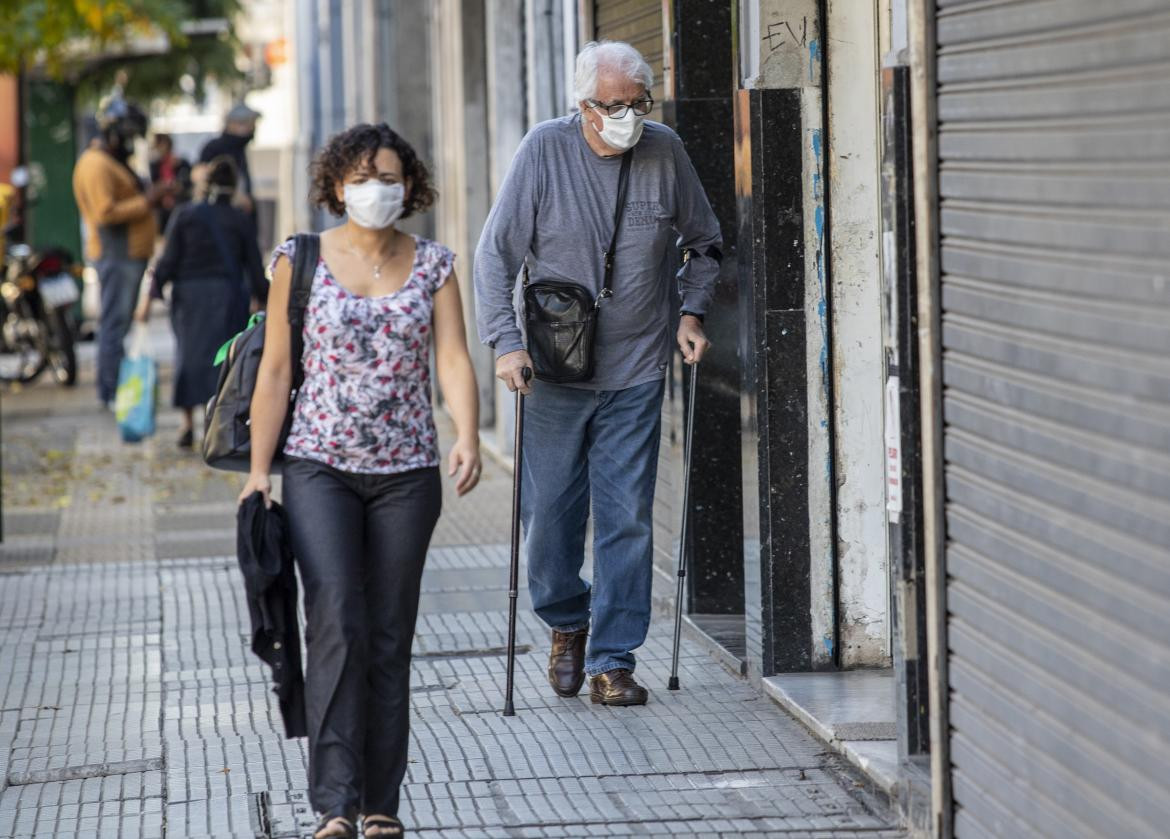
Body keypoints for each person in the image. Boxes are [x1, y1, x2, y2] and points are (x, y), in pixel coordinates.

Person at [238, 123, 482, 839]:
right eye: (365, 175)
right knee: (337, 617)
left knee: (388, 632)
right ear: (338, 185)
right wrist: (259, 471)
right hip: (319, 467)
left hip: (408, 473)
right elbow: (276, 370)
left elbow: (455, 361)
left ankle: (381, 802)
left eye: (392, 175)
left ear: (411, 186)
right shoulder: (300, 258)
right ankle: (334, 803)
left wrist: (466, 433)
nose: (380, 187)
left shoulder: (433, 263)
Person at [473, 40, 720, 707]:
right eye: (613, 106)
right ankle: (566, 618)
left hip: (636, 368)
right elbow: (495, 257)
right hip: (553, 369)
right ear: (582, 106)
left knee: (627, 518)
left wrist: (690, 313)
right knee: (549, 516)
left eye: (637, 103)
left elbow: (705, 241)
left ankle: (614, 658)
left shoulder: (665, 150)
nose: (628, 116)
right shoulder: (543, 151)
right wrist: (504, 343)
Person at [136, 156, 266, 448]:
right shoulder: (240, 219)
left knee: (188, 358)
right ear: (234, 187)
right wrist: (264, 298)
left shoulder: (184, 214)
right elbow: (256, 270)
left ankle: (186, 424)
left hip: (188, 297)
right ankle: (218, 422)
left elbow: (166, 262)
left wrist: (147, 300)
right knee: (224, 362)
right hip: (227, 297)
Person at [72, 95, 170, 408]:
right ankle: (110, 390)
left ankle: (112, 387)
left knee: (119, 323)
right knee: (114, 324)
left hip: (126, 254)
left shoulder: (109, 162)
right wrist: (149, 200)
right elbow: (105, 212)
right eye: (128, 137)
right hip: (116, 254)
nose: (130, 144)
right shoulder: (96, 165)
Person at [199, 103, 260, 216]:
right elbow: (200, 177)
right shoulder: (215, 148)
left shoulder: (239, 150)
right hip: (219, 218)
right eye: (247, 123)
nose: (252, 128)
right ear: (232, 124)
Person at [148, 133, 191, 233]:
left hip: (179, 203)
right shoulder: (155, 164)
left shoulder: (181, 162)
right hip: (162, 205)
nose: (158, 149)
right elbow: (155, 184)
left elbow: (186, 183)